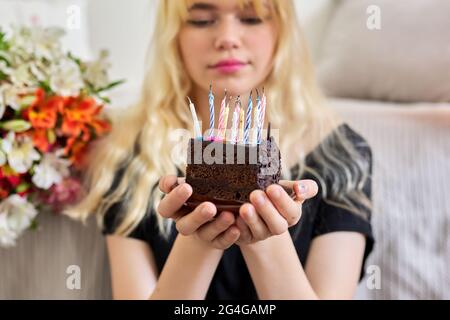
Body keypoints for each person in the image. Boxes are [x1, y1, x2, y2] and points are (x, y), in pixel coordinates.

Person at [65, 0, 374, 300]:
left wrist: (262, 233)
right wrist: (201, 234)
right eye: (202, 20)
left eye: (251, 18)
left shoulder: (340, 155)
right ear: (174, 36)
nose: (227, 38)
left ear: (283, 31)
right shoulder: (131, 155)